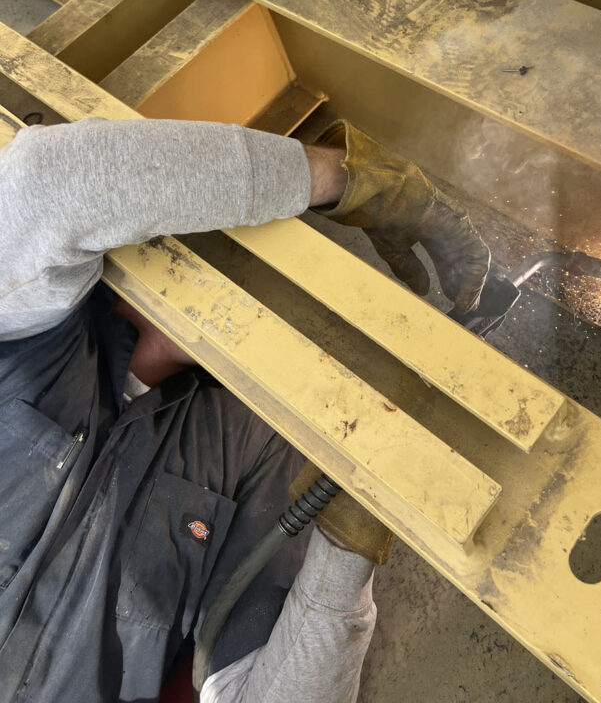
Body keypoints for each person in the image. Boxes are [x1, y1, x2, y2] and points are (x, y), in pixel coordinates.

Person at [0, 115, 490, 702]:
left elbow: (44, 182)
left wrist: (353, 180)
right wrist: (354, 527)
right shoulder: (252, 442)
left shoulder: (28, 349)